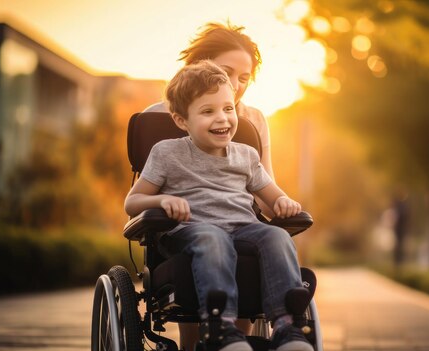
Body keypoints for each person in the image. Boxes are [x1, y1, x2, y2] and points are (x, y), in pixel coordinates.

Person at [125, 60, 313, 351]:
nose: (223, 119)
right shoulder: (167, 153)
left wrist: (284, 203)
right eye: (208, 111)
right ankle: (222, 329)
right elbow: (132, 202)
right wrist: (162, 200)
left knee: (276, 235)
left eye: (228, 109)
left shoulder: (247, 155)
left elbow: (274, 196)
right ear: (181, 120)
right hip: (191, 231)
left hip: (244, 229)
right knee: (213, 237)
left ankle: (288, 328)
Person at [143, 22, 276, 349]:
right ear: (199, 64)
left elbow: (267, 187)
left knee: (261, 246)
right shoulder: (158, 116)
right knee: (208, 242)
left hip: (240, 222)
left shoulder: (253, 121)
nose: (235, 84)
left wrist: (282, 204)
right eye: (226, 71)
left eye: (244, 78)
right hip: (186, 227)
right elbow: (146, 191)